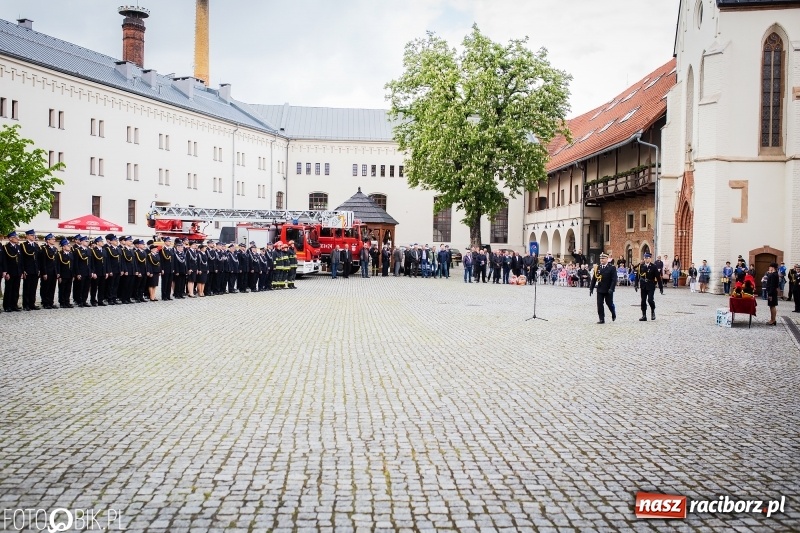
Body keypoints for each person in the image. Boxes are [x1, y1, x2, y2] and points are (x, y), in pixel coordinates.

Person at [634, 253, 663, 321]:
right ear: (644, 258)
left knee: (650, 300)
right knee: (643, 301)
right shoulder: (641, 266)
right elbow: (637, 276)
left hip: (651, 285)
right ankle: (644, 315)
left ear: (650, 259)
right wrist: (636, 284)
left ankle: (653, 311)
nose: (647, 259)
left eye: (648, 258)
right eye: (645, 258)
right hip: (643, 285)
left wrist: (661, 287)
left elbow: (658, 277)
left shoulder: (653, 266)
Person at [589, 253, 617, 324]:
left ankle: (613, 312)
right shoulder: (598, 268)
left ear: (607, 259)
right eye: (601, 258)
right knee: (599, 304)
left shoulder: (612, 268)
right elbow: (594, 278)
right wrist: (591, 288)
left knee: (609, 303)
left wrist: (612, 288)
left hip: (608, 289)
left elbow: (614, 279)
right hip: (600, 288)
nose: (602, 260)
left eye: (603, 258)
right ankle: (601, 319)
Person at [1, 231, 22, 312]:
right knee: (9, 289)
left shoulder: (18, 247)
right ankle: (7, 306)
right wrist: (6, 272)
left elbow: (21, 260)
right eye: (15, 237)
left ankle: (14, 305)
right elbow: (5, 261)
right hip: (10, 271)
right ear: (10, 238)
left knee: (16, 289)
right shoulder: (6, 247)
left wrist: (21, 271)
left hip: (17, 271)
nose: (17, 238)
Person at [20, 229, 40, 311]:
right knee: (27, 288)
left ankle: (32, 303)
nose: (33, 237)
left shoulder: (36, 245)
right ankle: (26, 304)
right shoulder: (24, 245)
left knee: (33, 288)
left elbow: (38, 258)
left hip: (35, 269)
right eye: (32, 235)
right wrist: (23, 269)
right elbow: (22, 259)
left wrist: (39, 269)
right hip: (28, 269)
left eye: (34, 235)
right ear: (27, 236)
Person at [38, 233, 58, 309]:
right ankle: (45, 302)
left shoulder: (55, 249)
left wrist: (57, 272)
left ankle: (50, 302)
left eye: (54, 239)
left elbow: (56, 262)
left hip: (53, 271)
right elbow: (43, 262)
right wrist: (44, 272)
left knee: (52, 288)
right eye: (52, 239)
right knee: (45, 287)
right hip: (47, 271)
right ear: (48, 240)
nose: (54, 240)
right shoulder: (44, 249)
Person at [55, 238, 74, 308]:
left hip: (70, 274)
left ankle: (67, 301)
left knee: (68, 289)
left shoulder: (71, 254)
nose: (69, 246)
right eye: (67, 245)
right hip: (63, 274)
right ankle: (62, 302)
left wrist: (73, 274)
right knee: (62, 289)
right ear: (63, 247)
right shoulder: (59, 254)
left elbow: (73, 264)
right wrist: (59, 275)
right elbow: (58, 265)